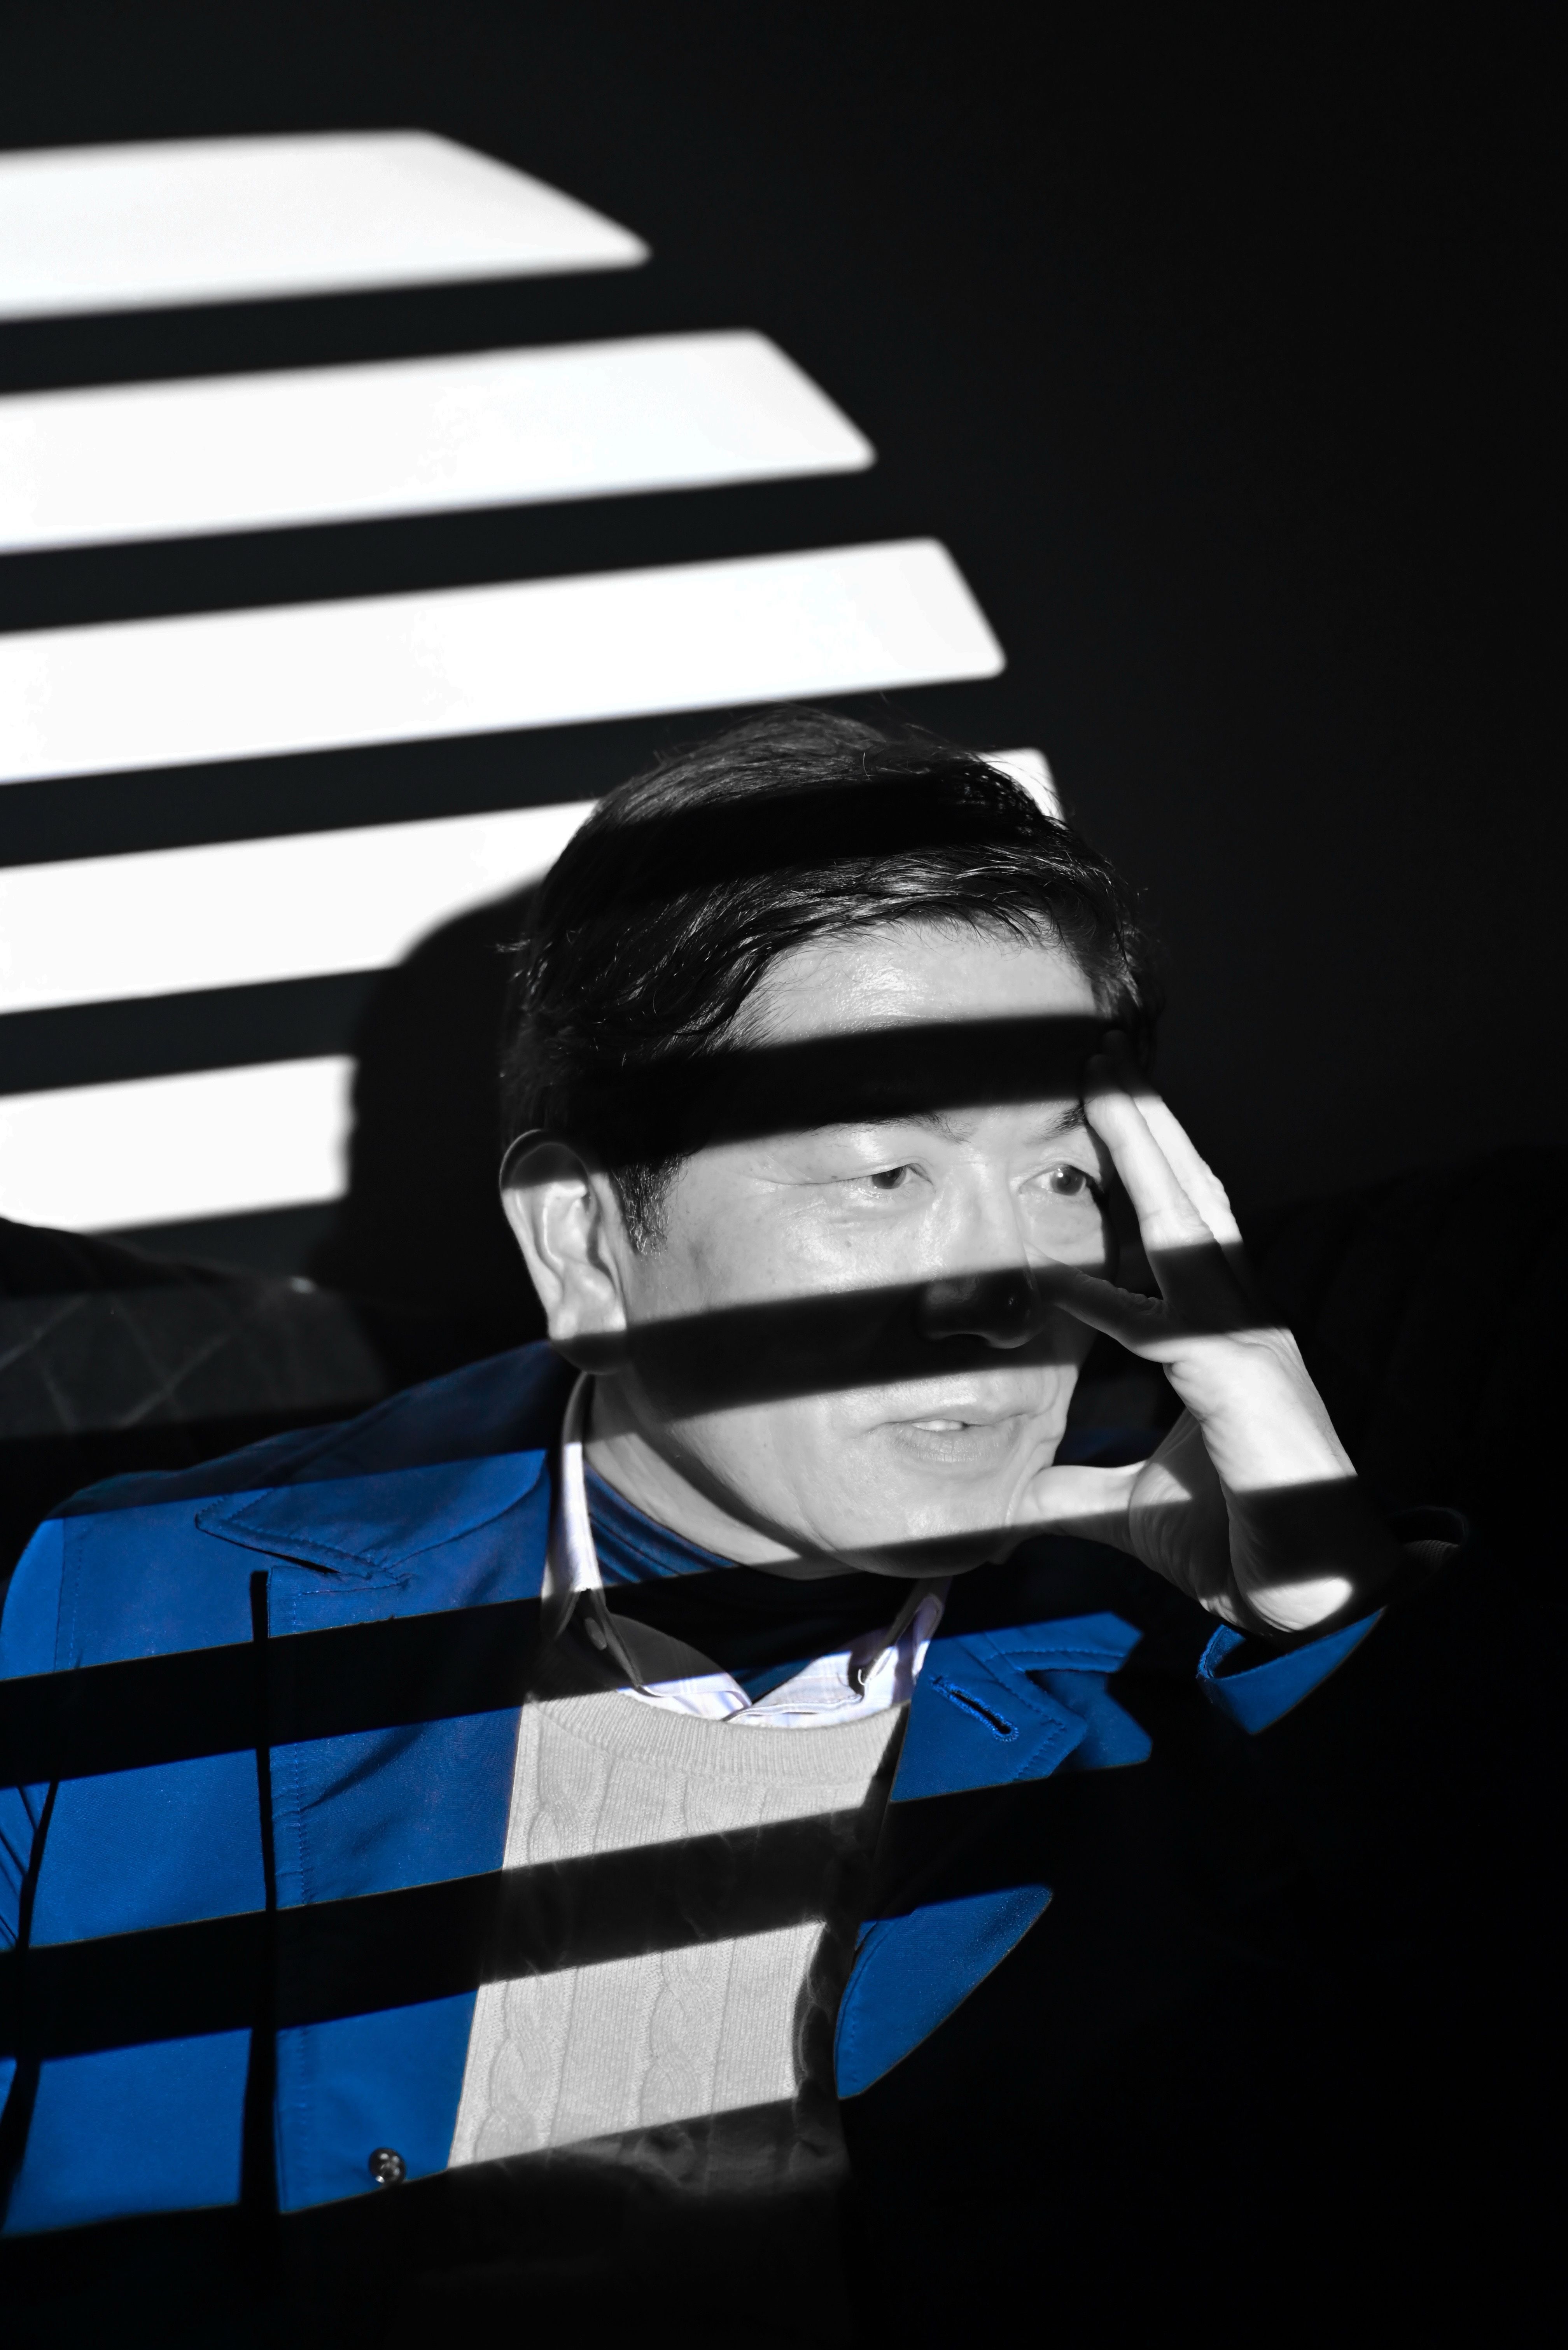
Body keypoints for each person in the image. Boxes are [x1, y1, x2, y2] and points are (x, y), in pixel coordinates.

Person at [0, 712, 1551, 2343]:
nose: (1003, 1293)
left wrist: (1335, 1625)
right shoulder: (129, 1611)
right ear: (586, 1243)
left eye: (1063, 1177)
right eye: (883, 1177)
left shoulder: (1216, 1668)